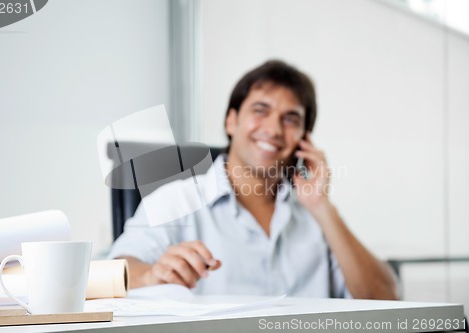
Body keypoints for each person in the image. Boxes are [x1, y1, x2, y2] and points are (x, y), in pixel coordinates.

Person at [109, 60, 398, 299]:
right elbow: (113, 273)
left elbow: (386, 299)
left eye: (291, 119)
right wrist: (151, 274)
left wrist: (323, 207)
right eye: (260, 111)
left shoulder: (316, 217)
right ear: (231, 121)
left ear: (303, 139)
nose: (273, 129)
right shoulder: (176, 201)